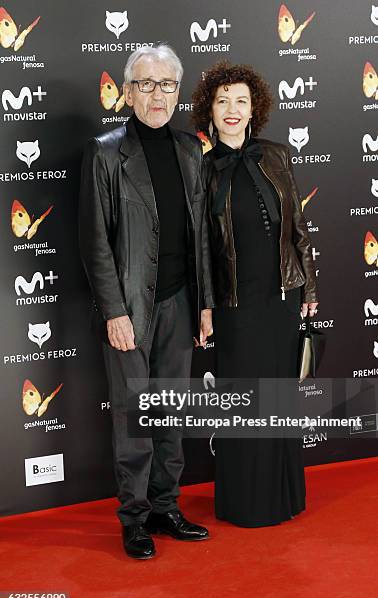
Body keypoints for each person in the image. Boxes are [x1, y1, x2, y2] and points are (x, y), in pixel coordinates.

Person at [79, 44, 213, 559]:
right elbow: (95, 243)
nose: (158, 95)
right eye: (147, 85)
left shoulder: (189, 149)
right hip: (131, 307)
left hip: (181, 302)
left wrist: (203, 304)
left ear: (178, 92)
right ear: (129, 92)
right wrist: (114, 311)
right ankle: (134, 518)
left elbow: (199, 234)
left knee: (170, 411)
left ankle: (165, 507)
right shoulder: (106, 151)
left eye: (167, 85)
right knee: (135, 416)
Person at [191, 61, 319, 528]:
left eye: (240, 101)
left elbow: (298, 232)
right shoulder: (201, 169)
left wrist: (309, 286)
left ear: (254, 109)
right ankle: (247, 502)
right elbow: (201, 249)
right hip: (234, 304)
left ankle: (284, 495)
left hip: (281, 297)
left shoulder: (277, 155)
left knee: (280, 397)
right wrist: (205, 306)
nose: (231, 109)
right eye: (223, 101)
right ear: (209, 108)